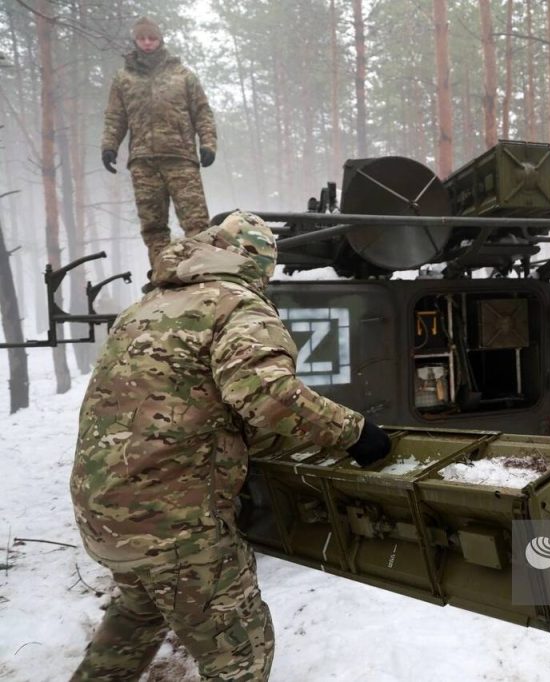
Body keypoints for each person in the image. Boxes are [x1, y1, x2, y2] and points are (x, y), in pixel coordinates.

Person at [69, 211, 392, 681]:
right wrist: (354, 432)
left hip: (104, 512)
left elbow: (178, 400)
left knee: (138, 616)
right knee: (240, 656)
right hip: (174, 525)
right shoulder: (236, 305)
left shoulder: (143, 308)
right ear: (258, 264)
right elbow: (265, 393)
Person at [101, 16, 217, 269]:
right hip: (143, 162)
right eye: (142, 38)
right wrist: (109, 146)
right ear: (135, 40)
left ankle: (202, 271)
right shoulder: (124, 79)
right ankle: (162, 273)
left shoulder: (183, 75)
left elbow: (202, 112)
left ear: (160, 40)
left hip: (180, 158)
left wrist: (208, 143)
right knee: (153, 226)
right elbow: (116, 116)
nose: (147, 43)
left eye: (152, 38)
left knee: (196, 221)